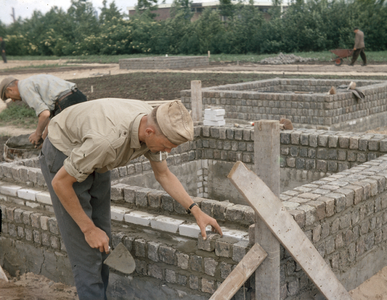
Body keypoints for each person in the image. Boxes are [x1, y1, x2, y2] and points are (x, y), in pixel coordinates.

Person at [39, 98, 223, 300]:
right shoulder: (107, 142)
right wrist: (88, 229)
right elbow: (60, 184)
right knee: (86, 252)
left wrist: (196, 211)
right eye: (167, 146)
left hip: (95, 157)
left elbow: (164, 175)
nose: (168, 151)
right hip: (64, 154)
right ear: (149, 132)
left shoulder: (154, 122)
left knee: (103, 239)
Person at [0, 74, 87, 147]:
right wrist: (43, 138)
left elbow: (44, 114)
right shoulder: (31, 81)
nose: (13, 100)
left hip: (66, 102)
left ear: (10, 89)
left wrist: (37, 134)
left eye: (9, 97)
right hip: (76, 96)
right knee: (81, 136)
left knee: (63, 142)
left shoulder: (24, 89)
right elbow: (52, 119)